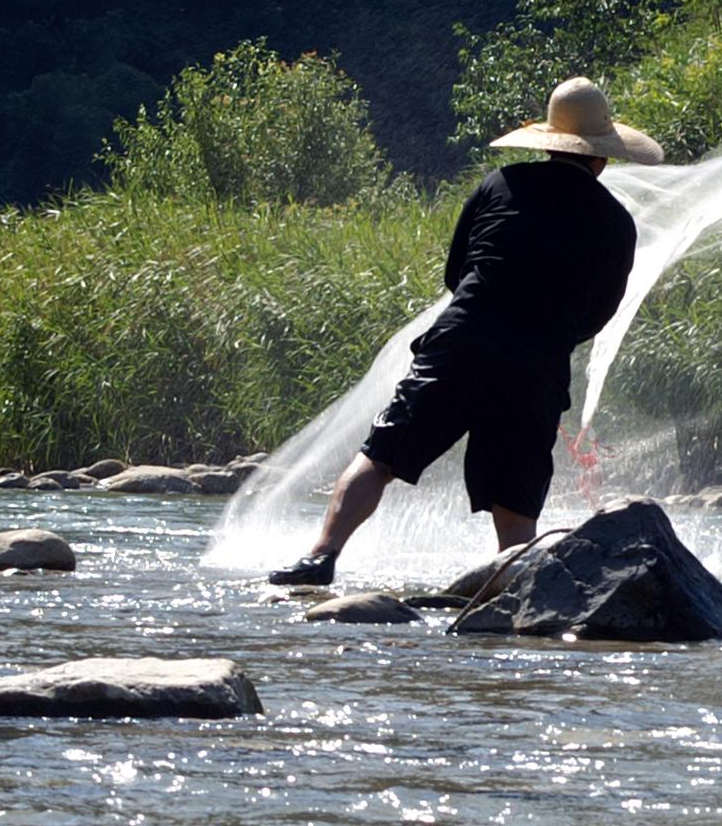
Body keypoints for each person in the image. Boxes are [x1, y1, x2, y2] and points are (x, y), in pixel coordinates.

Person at [267, 77, 663, 585]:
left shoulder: (500, 184)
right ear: (602, 157)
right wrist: (548, 334)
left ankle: (320, 558)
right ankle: (507, 593)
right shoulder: (615, 221)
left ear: (548, 144)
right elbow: (599, 313)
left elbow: (456, 275)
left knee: (380, 456)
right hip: (535, 365)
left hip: (461, 341)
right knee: (516, 496)